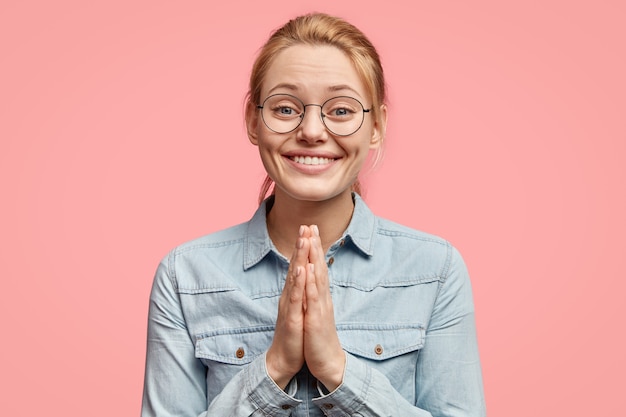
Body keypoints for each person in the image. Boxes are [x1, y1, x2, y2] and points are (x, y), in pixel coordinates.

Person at [141, 12, 485, 417]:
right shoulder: (185, 277)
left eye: (341, 110)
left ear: (376, 127)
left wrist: (338, 371)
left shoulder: (435, 269)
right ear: (254, 121)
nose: (311, 130)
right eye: (286, 109)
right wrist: (274, 369)